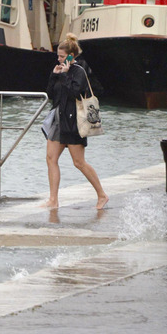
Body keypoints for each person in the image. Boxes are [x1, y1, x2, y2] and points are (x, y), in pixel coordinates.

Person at [43, 34, 108, 210]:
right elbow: (51, 94)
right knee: (50, 158)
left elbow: (73, 92)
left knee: (78, 162)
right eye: (58, 56)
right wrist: (54, 75)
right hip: (59, 120)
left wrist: (64, 75)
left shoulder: (79, 71)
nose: (59, 59)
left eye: (62, 56)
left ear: (71, 56)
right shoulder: (60, 70)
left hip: (74, 122)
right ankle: (53, 200)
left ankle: (102, 195)